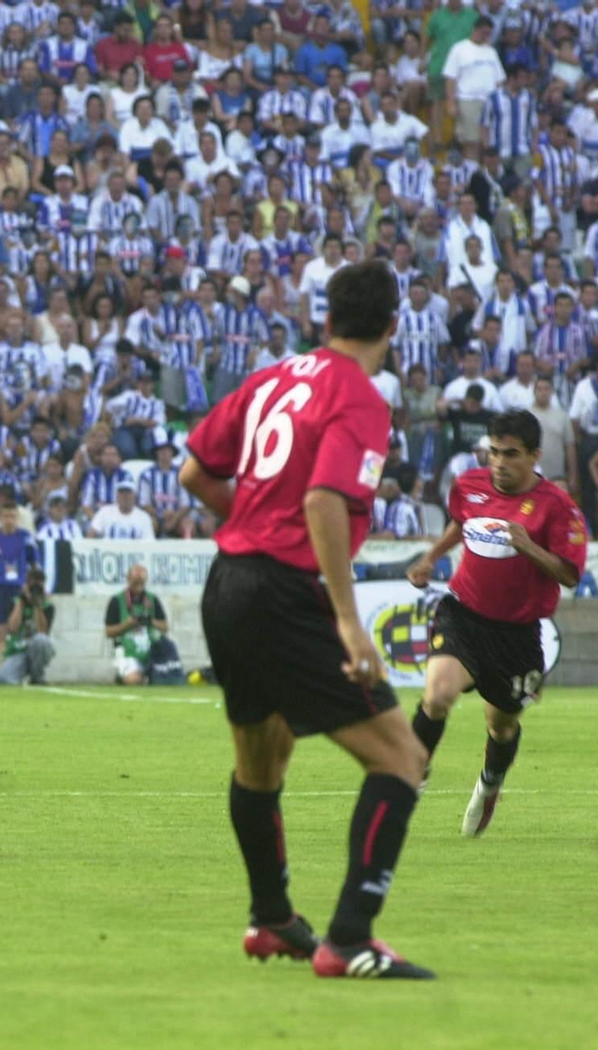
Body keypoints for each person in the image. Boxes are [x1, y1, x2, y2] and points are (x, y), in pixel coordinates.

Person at [179, 260, 433, 978]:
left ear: (325, 320)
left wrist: (255, 530)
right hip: (285, 595)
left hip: (229, 584)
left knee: (262, 760)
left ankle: (272, 921)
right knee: (401, 758)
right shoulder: (361, 397)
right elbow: (324, 501)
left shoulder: (272, 378)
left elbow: (195, 472)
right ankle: (349, 938)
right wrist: (351, 623)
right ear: (392, 325)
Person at [405, 410, 588, 836]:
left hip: (517, 634)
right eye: (494, 452)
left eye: (511, 454)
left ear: (535, 456)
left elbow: (570, 574)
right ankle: (411, 773)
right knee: (437, 695)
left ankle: (491, 781)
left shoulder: (558, 509)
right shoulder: (468, 485)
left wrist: (528, 547)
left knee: (501, 726)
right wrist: (431, 557)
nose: (500, 463)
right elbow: (461, 523)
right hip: (463, 614)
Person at [0, 502, 39, 656]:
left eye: (12, 516)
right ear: (0, 517)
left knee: (19, 632)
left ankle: (19, 671)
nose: (9, 520)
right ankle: (2, 674)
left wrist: (31, 586)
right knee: (0, 634)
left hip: (19, 588)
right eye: (5, 516)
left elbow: (34, 565)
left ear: (18, 518)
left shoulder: (26, 538)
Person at [102, 564, 169, 685]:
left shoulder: (152, 599)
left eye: (141, 581)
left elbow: (164, 627)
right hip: (127, 651)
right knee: (135, 681)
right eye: (135, 581)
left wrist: (150, 621)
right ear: (128, 579)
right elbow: (108, 632)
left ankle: (144, 676)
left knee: (168, 680)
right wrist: (127, 624)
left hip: (151, 651)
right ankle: (125, 677)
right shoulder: (117, 600)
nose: (139, 584)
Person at [0, 567, 56, 686]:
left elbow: (42, 631)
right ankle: (19, 675)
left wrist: (37, 605)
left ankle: (37, 677)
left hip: (38, 649)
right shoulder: (15, 602)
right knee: (3, 679)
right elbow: (12, 628)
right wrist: (21, 602)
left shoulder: (48, 607)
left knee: (41, 640)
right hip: (19, 650)